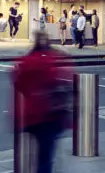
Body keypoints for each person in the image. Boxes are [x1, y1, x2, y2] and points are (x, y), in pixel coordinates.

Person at [12, 32, 72, 173]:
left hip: (29, 116)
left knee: (36, 152)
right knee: (45, 157)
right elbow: (64, 78)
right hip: (49, 115)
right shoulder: (53, 60)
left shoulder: (27, 60)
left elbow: (19, 84)